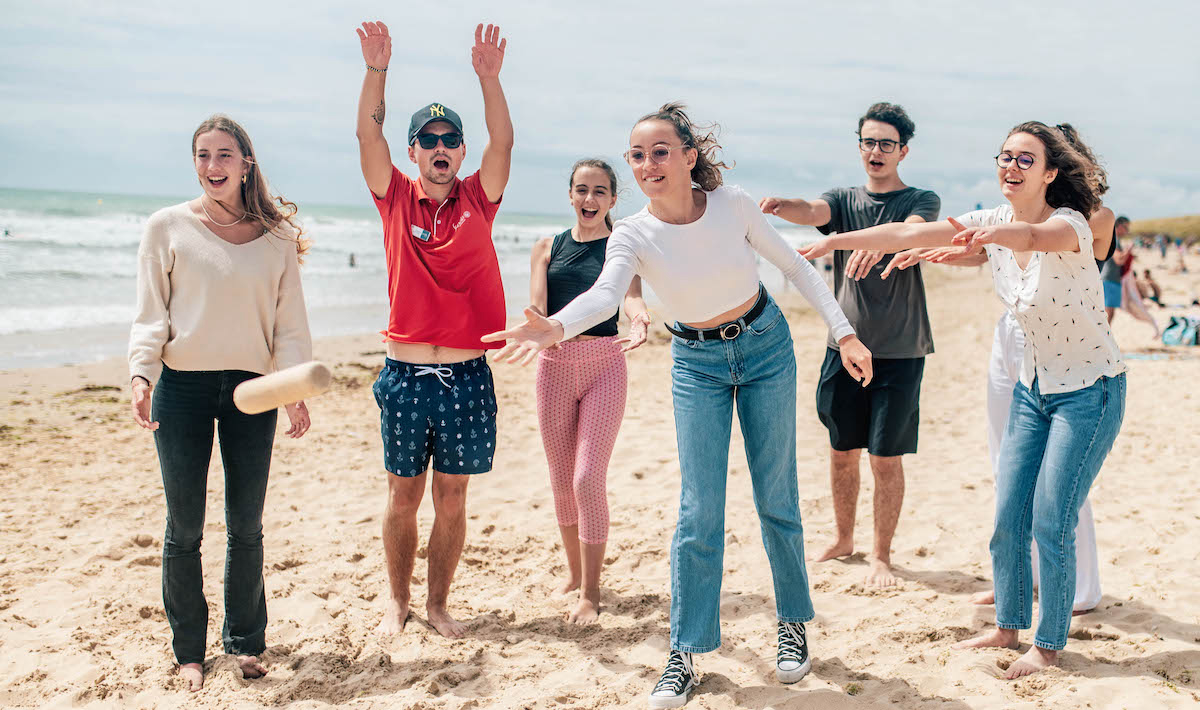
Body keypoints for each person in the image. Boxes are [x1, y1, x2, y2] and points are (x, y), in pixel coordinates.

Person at [484, 102, 872, 708]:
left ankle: (792, 624)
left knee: (777, 498)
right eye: (637, 155)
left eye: (661, 151)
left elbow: (795, 266)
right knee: (698, 512)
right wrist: (554, 328)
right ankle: (685, 653)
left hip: (766, 347)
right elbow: (605, 295)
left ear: (690, 156)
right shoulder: (633, 233)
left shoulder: (733, 204)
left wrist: (843, 332)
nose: (648, 164)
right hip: (695, 363)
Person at [799, 120, 1127, 679]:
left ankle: (1047, 646)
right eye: (1005, 157)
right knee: (1007, 515)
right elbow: (907, 233)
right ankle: (1007, 624)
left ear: (1050, 173)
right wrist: (835, 241)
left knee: (1052, 519)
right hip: (1033, 390)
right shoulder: (992, 220)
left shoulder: (1069, 223)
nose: (1011, 167)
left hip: (1089, 392)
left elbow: (1028, 238)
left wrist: (983, 238)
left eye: (1026, 160)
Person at [128, 114, 314, 692]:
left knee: (246, 524)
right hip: (180, 387)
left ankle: (244, 642)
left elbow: (289, 324)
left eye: (225, 155)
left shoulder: (277, 238)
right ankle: (189, 650)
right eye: (204, 155)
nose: (214, 166)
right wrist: (140, 373)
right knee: (183, 526)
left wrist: (295, 390)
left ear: (246, 162)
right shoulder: (168, 226)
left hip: (252, 391)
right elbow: (151, 311)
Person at [354, 19, 513, 638]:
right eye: (429, 139)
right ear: (414, 150)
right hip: (405, 374)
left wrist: (490, 81)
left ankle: (439, 603)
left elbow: (503, 142)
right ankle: (398, 601)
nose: (441, 147)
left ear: (460, 150)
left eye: (451, 139)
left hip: (468, 375)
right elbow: (366, 136)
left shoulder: (480, 197)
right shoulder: (393, 195)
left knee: (453, 498)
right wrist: (376, 72)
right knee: (403, 498)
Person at [759, 102, 940, 587]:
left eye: (886, 143)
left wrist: (854, 241)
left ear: (903, 151)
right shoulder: (843, 199)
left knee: (885, 457)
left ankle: (882, 554)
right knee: (842, 451)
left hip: (901, 350)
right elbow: (814, 211)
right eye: (868, 142)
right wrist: (783, 206)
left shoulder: (921, 199)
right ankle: (844, 539)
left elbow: (911, 234)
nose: (875, 151)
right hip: (845, 347)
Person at [529, 159, 650, 625]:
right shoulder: (546, 247)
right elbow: (540, 308)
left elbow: (632, 297)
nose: (590, 199)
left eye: (600, 191)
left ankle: (592, 591)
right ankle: (575, 573)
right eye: (582, 190)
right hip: (554, 366)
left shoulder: (622, 249)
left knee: (586, 479)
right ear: (571, 195)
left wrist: (639, 318)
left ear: (613, 200)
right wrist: (530, 326)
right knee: (561, 480)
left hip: (604, 364)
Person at [1100, 217, 1131, 323]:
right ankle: (1105, 336)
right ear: (1120, 226)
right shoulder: (1114, 240)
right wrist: (1128, 250)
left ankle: (1105, 336)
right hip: (1109, 278)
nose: (1127, 231)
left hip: (1111, 278)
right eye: (1126, 227)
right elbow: (1119, 260)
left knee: (1110, 312)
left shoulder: (1114, 240)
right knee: (1108, 311)